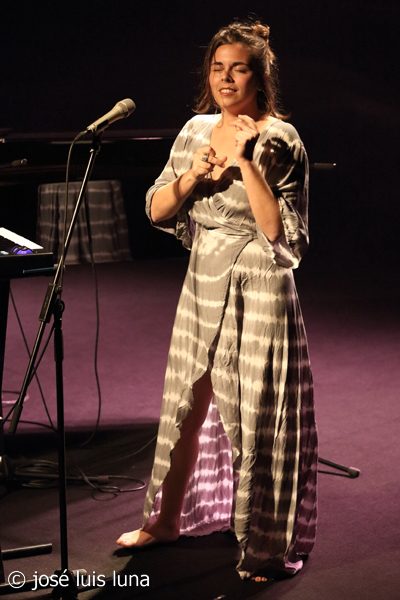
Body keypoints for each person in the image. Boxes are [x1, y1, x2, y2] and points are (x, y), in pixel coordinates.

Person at [117, 19, 318, 580]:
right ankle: (165, 521)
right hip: (204, 276)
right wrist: (191, 179)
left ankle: (265, 542)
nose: (226, 79)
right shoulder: (195, 130)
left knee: (259, 413)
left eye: (239, 69)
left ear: (260, 77)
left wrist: (247, 162)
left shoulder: (282, 138)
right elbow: (157, 209)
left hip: (261, 283)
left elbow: (282, 235)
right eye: (217, 68)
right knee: (186, 400)